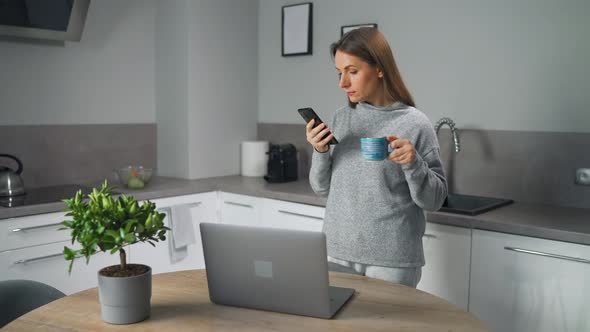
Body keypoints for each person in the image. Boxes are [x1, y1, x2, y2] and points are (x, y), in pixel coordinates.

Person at [306, 28, 447, 288]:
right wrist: (320, 151)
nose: (343, 83)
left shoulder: (415, 123)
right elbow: (321, 188)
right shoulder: (341, 118)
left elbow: (435, 200)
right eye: (339, 73)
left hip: (392, 261)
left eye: (353, 71)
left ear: (379, 69)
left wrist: (413, 164)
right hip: (337, 252)